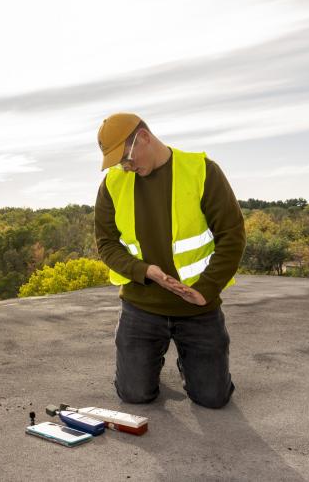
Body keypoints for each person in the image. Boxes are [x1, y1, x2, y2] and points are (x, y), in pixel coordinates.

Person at [94, 113, 246, 409]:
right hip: (141, 307)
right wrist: (144, 271)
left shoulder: (202, 170)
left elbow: (232, 234)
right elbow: (106, 244)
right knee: (135, 395)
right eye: (118, 163)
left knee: (213, 399)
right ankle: (144, 365)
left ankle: (190, 366)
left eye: (126, 157)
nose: (125, 167)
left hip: (197, 306)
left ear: (145, 138)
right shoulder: (113, 185)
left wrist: (207, 289)